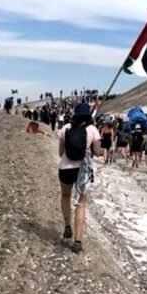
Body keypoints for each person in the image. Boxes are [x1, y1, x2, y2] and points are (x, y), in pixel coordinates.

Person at [58, 103, 102, 254]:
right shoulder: (92, 130)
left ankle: (67, 227)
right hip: (83, 170)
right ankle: (77, 241)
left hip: (66, 169)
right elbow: (97, 152)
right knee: (81, 204)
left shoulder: (65, 129)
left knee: (65, 196)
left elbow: (60, 152)